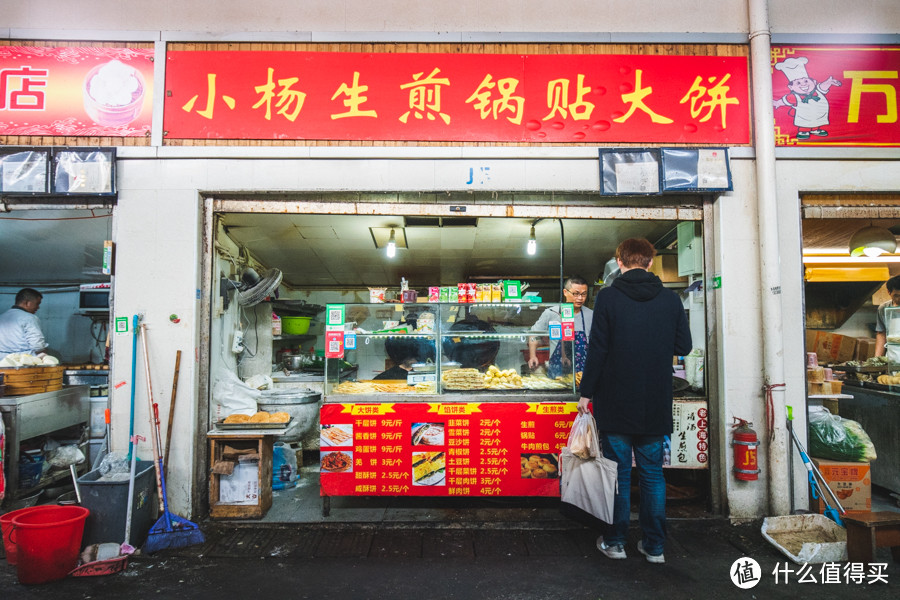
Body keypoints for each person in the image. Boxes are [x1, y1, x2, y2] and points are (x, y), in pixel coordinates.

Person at [578, 239, 692, 564]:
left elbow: (598, 350)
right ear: (651, 263)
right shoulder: (670, 300)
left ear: (619, 261)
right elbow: (683, 346)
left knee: (619, 473)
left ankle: (615, 543)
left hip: (615, 400)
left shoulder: (609, 298)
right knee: (653, 474)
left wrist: (586, 393)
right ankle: (654, 547)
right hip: (654, 400)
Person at [527, 276, 593, 379]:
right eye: (576, 294)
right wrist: (532, 356)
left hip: (583, 373)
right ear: (565, 292)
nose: (580, 298)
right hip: (557, 369)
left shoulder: (591, 315)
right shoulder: (551, 313)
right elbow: (533, 334)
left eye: (584, 294)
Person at [0, 288, 48, 360]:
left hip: (2, 362)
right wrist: (44, 356)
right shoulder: (29, 318)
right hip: (24, 361)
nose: (38, 307)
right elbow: (37, 345)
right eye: (37, 304)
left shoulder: (2, 317)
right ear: (27, 303)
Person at [874, 274, 900, 359]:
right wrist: (877, 360)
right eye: (896, 295)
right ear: (889, 292)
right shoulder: (883, 308)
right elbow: (881, 334)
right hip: (892, 357)